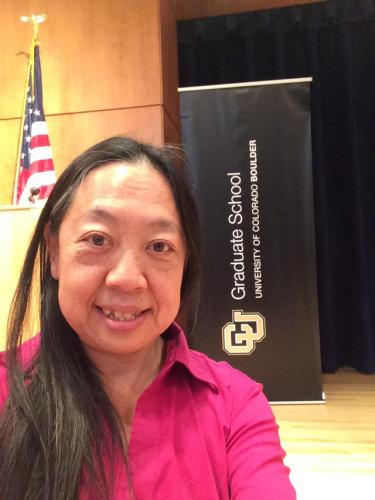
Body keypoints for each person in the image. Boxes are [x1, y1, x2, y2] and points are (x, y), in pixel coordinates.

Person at [0, 136, 296, 500]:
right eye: (97, 239)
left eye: (159, 246)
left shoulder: (235, 404)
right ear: (55, 252)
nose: (127, 278)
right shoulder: (6, 392)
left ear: (185, 264)